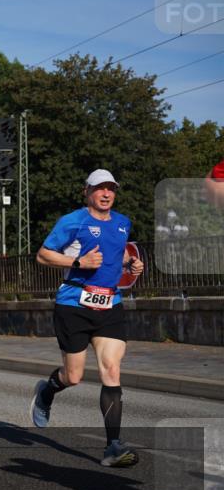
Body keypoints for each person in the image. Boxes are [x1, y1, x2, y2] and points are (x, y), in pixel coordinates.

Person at [31, 169, 145, 467]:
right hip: (74, 304)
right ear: (87, 191)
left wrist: (131, 262)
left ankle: (113, 447)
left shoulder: (122, 223)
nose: (106, 194)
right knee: (74, 376)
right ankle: (48, 389)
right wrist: (78, 261)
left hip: (109, 302)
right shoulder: (72, 221)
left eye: (111, 189)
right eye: (99, 189)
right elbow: (43, 255)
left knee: (111, 369)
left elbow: (116, 253)